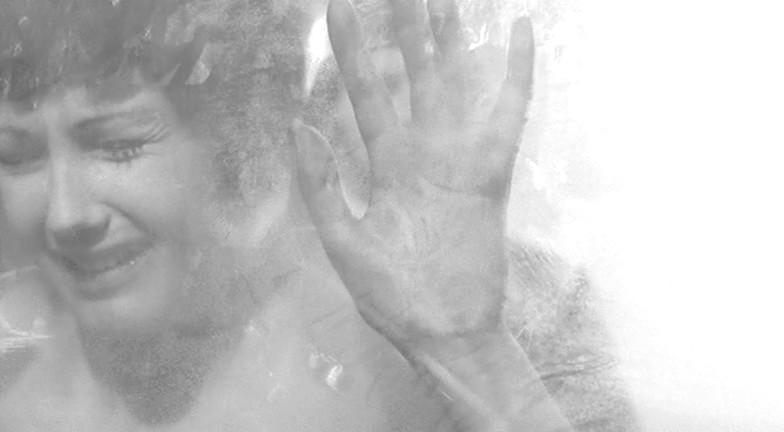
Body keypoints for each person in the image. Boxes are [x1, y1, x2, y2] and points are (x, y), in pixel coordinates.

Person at [0, 0, 623, 430]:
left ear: (229, 147)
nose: (64, 215)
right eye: (15, 154)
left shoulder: (407, 338)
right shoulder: (13, 368)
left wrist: (469, 354)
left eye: (118, 145)